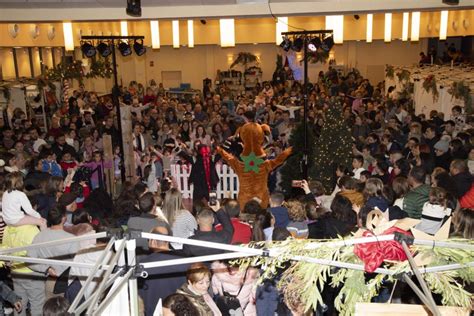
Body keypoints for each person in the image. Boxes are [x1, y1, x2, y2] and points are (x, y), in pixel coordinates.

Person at [28, 204, 80, 299]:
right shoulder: (71, 239)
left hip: (50, 283)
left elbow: (29, 261)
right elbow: (77, 264)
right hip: (69, 284)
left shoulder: (39, 236)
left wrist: (46, 269)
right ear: (64, 218)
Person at [140, 226, 191, 316]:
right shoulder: (184, 261)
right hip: (178, 311)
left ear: (153, 241)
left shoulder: (142, 265)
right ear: (168, 240)